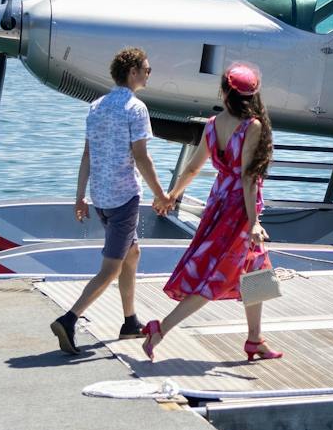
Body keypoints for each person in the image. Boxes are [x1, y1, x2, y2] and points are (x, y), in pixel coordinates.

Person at [140, 63, 282, 362]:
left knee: (258, 272)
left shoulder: (213, 124)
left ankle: (255, 339)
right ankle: (160, 329)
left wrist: (171, 196)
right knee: (214, 278)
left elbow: (193, 166)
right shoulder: (252, 126)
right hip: (238, 212)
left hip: (218, 204)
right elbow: (247, 177)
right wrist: (254, 223)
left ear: (225, 90)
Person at [50, 47, 172, 354]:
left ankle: (130, 321)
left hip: (101, 198)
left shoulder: (96, 106)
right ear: (132, 72)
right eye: (146, 68)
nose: (148, 73)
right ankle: (69, 319)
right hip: (124, 200)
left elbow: (87, 154)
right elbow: (142, 157)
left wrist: (79, 197)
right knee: (110, 269)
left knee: (132, 254)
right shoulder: (136, 108)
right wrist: (161, 193)